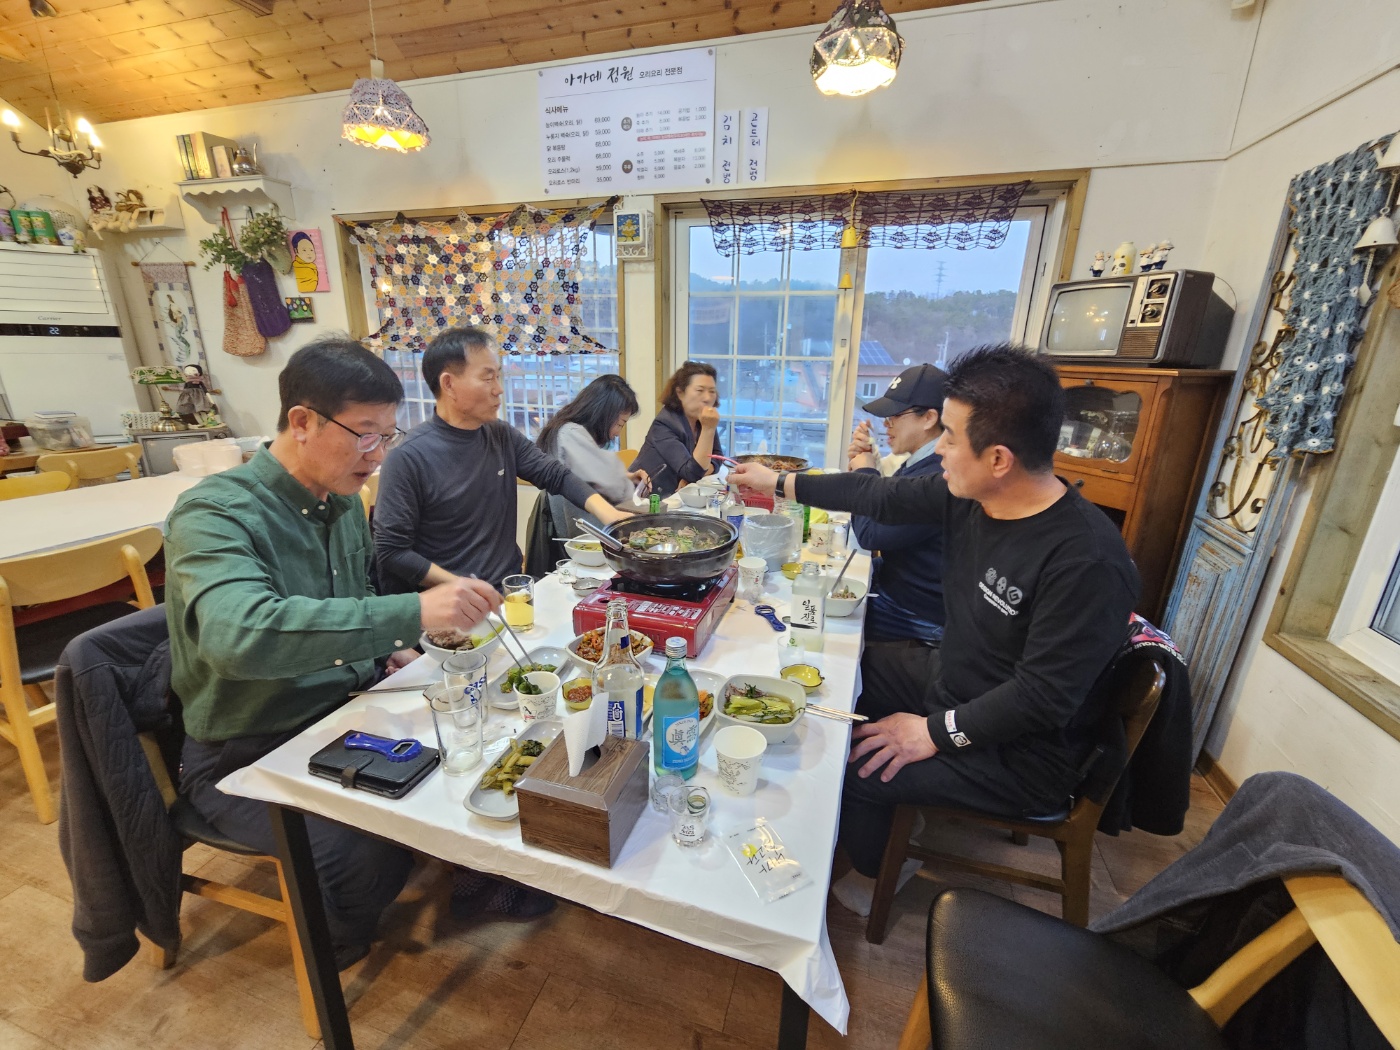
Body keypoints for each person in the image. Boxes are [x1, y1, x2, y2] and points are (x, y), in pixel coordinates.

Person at [730, 344, 1140, 917]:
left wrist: (932, 733)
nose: (939, 450)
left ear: (998, 459)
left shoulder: (1086, 560)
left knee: (854, 763)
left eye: (949, 436)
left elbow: (1042, 699)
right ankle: (856, 825)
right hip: (956, 680)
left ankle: (877, 872)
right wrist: (778, 483)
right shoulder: (972, 496)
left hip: (1022, 751)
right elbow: (875, 494)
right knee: (834, 674)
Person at [164, 335, 503, 969]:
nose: (378, 455)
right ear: (302, 422)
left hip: (334, 717)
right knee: (365, 852)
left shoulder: (343, 502)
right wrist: (410, 615)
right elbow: (241, 635)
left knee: (464, 759)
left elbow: (353, 601)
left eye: (387, 437)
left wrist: (384, 655)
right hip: (243, 751)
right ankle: (336, 946)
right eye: (365, 435)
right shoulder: (213, 513)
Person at [373, 327, 631, 594]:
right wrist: (462, 587)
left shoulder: (501, 435)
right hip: (452, 602)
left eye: (498, 376)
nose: (498, 389)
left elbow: (556, 475)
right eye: (487, 378)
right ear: (448, 384)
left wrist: (612, 517)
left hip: (511, 591)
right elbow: (392, 551)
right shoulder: (408, 457)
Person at [847, 363, 947, 647]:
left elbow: (871, 535)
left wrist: (863, 474)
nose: (886, 425)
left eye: (895, 416)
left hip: (918, 611)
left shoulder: (938, 475)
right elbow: (887, 504)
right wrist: (865, 468)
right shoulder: (923, 460)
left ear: (929, 418)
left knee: (831, 623)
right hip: (903, 583)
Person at [536, 373, 651, 520]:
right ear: (604, 415)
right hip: (577, 527)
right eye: (620, 424)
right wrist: (630, 488)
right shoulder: (570, 434)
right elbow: (610, 487)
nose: (617, 433)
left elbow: (593, 474)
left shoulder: (572, 431)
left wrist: (629, 477)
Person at [630, 361, 723, 498]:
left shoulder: (702, 419)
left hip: (675, 497)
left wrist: (694, 475)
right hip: (645, 498)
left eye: (712, 391)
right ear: (680, 393)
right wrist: (708, 429)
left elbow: (717, 457)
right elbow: (693, 472)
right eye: (700, 390)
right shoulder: (664, 424)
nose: (707, 398)